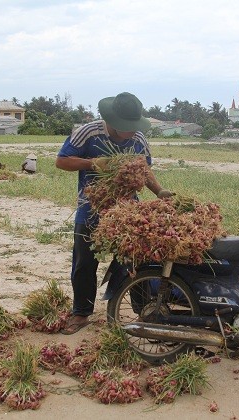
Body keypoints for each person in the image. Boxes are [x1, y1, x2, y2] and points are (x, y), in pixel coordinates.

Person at [55, 92, 172, 335]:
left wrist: (159, 191)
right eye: (127, 128)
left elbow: (143, 169)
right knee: (84, 263)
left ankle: (143, 309)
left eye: (133, 127)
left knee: (134, 261)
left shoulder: (139, 138)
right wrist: (93, 164)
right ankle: (81, 312)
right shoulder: (89, 132)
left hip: (127, 211)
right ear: (113, 121)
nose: (132, 132)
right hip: (92, 208)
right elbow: (62, 161)